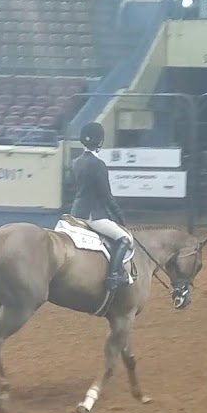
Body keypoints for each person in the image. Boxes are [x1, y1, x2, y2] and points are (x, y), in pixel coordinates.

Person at [69, 121, 133, 291]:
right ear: (100, 142)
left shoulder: (75, 162)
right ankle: (113, 276)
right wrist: (120, 218)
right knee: (124, 238)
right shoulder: (99, 165)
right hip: (93, 216)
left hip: (76, 213)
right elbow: (106, 196)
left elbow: (73, 189)